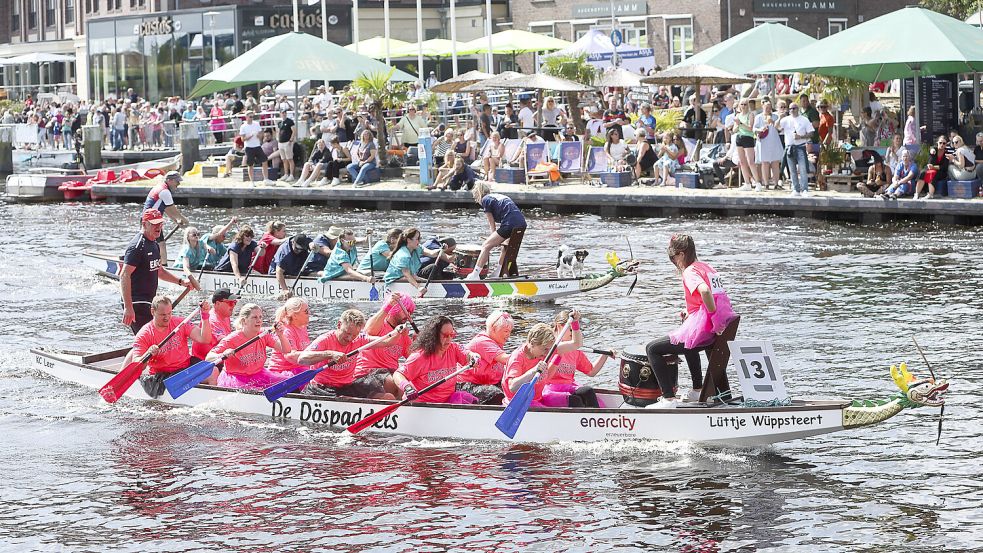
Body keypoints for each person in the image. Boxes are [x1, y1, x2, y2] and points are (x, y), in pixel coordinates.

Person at [644, 234, 736, 408]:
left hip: (707, 330)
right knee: (688, 343)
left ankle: (668, 399)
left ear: (681, 254)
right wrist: (692, 311)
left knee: (652, 349)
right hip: (712, 331)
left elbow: (706, 292)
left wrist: (714, 320)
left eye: (673, 258)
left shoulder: (690, 271)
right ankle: (697, 390)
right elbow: (718, 297)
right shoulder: (707, 267)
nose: (674, 262)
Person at [121, 209, 199, 334]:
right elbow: (124, 275)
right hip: (137, 302)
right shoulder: (137, 247)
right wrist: (128, 307)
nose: (159, 227)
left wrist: (181, 281)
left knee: (156, 336)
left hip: (150, 302)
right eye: (154, 224)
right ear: (144, 224)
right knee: (149, 338)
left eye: (160, 224)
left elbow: (160, 271)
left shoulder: (154, 244)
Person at [119, 295, 213, 398]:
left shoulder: (179, 323)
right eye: (163, 315)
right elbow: (138, 365)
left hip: (185, 365)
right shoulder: (144, 334)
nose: (167, 318)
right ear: (152, 312)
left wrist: (205, 316)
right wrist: (148, 354)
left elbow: (205, 339)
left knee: (214, 371)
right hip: (164, 375)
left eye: (169, 313)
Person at [296, 309, 402, 399]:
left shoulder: (360, 339)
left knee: (388, 397)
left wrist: (399, 332)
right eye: (347, 333)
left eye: (354, 335)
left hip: (347, 386)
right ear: (339, 325)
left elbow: (388, 342)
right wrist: (330, 354)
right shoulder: (325, 340)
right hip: (322, 387)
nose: (350, 338)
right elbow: (302, 359)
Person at [501, 311, 584, 408]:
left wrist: (575, 323)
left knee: (575, 401)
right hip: (517, 403)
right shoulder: (517, 357)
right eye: (544, 349)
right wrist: (532, 372)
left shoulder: (546, 350)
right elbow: (513, 387)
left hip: (537, 399)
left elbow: (576, 344)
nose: (547, 353)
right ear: (532, 343)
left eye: (549, 349)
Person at [392, 315, 480, 404]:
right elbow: (398, 374)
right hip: (423, 404)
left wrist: (474, 356)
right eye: (445, 335)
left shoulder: (454, 348)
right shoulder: (419, 356)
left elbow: (468, 355)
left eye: (452, 334)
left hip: (448, 401)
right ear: (434, 336)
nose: (449, 339)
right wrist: (407, 388)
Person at [207, 303, 291, 390]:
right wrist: (223, 354)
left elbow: (287, 350)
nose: (259, 321)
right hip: (236, 379)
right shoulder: (232, 339)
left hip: (259, 375)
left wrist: (281, 335)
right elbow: (209, 358)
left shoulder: (263, 334)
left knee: (288, 383)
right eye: (254, 317)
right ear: (244, 321)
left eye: (260, 317)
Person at [543, 310, 611, 408]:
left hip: (569, 387)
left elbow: (591, 371)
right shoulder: (549, 347)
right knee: (576, 401)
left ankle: (597, 420)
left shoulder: (575, 351)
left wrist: (605, 354)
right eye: (571, 330)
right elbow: (546, 376)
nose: (573, 333)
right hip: (550, 389)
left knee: (588, 392)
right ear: (559, 326)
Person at [353, 293, 416, 398]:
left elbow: (414, 358)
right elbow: (368, 331)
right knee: (396, 384)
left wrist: (420, 342)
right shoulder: (380, 324)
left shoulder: (403, 333)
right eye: (405, 310)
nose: (408, 314)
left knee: (410, 385)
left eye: (410, 312)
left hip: (390, 373)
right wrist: (388, 306)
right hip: (367, 373)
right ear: (395, 309)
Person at [465, 183, 527, 280]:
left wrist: (492, 239)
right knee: (506, 247)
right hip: (521, 223)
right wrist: (496, 239)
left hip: (510, 223)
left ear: (478, 194)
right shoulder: (497, 196)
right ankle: (499, 272)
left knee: (486, 246)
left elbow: (492, 225)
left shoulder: (485, 200)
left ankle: (475, 275)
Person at [460, 310, 514, 405]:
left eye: (510, 331)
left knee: (515, 390)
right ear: (493, 329)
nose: (508, 335)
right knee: (496, 394)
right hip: (467, 385)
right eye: (506, 331)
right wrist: (529, 354)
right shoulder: (482, 341)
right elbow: (507, 360)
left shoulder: (497, 343)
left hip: (487, 383)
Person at [142, 170, 189, 265]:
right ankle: (164, 267)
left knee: (151, 244)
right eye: (177, 182)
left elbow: (167, 209)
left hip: (149, 220)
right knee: (161, 244)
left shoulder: (161, 188)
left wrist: (176, 221)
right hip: (151, 221)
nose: (178, 184)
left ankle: (153, 263)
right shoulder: (165, 192)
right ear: (170, 180)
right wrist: (185, 220)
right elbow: (173, 210)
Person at [383, 227, 446, 294]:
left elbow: (432, 254)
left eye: (419, 239)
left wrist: (441, 249)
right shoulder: (403, 255)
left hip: (410, 276)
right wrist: (418, 287)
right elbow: (407, 275)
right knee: (414, 277)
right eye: (417, 239)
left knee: (419, 278)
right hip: (394, 280)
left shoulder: (417, 247)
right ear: (408, 240)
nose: (419, 241)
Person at [266, 298, 312, 376]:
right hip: (282, 372)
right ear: (295, 316)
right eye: (306, 312)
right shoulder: (287, 331)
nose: (309, 313)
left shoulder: (303, 327)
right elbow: (291, 357)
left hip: (298, 368)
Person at [191, 288, 238, 362]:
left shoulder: (225, 315)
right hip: (203, 362)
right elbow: (225, 342)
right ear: (217, 303)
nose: (233, 306)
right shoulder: (213, 320)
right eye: (230, 303)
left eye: (234, 302)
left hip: (217, 358)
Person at [778, 103, 815, 197]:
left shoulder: (804, 119)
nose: (792, 110)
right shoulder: (785, 120)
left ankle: (805, 189)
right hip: (789, 147)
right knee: (792, 170)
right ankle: (796, 189)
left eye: (794, 108)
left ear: (797, 109)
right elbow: (776, 128)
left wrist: (801, 137)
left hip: (800, 146)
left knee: (802, 169)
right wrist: (779, 117)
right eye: (790, 108)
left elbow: (811, 133)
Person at [238, 111, 274, 186]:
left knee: (264, 161)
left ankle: (266, 179)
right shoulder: (243, 126)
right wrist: (249, 136)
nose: (251, 118)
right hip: (249, 147)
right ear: (246, 117)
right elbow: (242, 139)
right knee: (250, 165)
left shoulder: (256, 124)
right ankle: (252, 182)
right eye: (250, 117)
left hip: (257, 146)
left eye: (252, 117)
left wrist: (259, 135)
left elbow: (261, 134)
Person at [754, 100, 783, 190]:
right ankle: (766, 183)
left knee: (775, 162)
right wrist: (760, 129)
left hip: (774, 141)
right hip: (763, 141)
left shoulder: (775, 116)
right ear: (763, 107)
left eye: (770, 107)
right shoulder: (758, 117)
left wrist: (774, 121)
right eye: (766, 107)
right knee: (765, 162)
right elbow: (754, 128)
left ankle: (776, 183)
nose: (768, 109)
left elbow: (779, 128)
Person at [914, 135, 949, 199]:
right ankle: (917, 193)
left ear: (946, 144)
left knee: (932, 173)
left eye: (944, 143)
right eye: (940, 143)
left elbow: (944, 167)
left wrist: (934, 167)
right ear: (937, 143)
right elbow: (931, 150)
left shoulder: (946, 153)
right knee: (923, 172)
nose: (942, 145)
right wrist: (932, 150)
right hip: (930, 167)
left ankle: (930, 194)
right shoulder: (934, 150)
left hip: (940, 171)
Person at [276, 109, 296, 183]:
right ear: (280, 114)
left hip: (287, 142)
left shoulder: (289, 121)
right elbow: (278, 131)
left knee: (290, 159)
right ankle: (286, 174)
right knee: (284, 159)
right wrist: (277, 139)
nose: (284, 114)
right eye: (282, 113)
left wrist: (291, 140)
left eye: (285, 113)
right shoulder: (280, 123)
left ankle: (291, 175)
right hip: (281, 142)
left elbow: (294, 130)